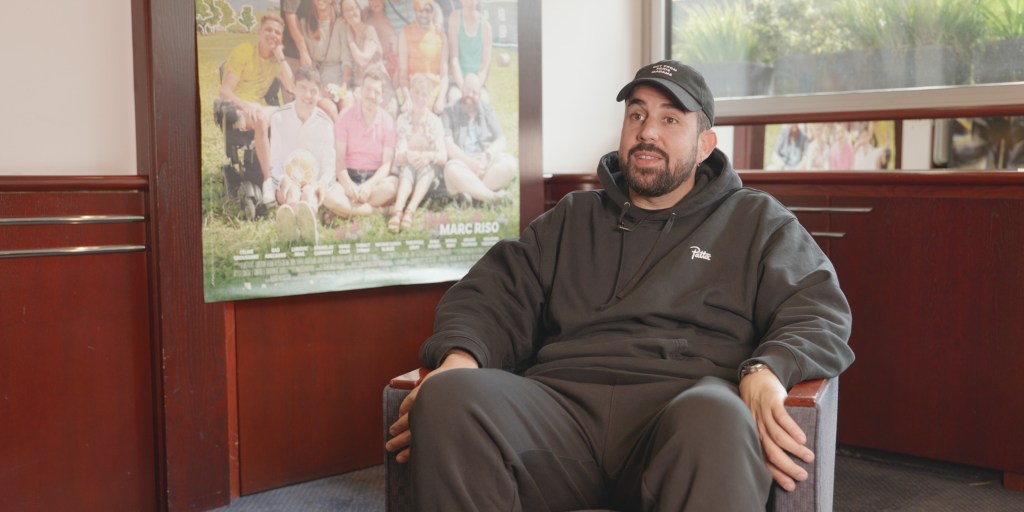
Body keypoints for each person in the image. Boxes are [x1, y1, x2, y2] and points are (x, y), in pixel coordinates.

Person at [385, 60, 855, 511]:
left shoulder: (756, 220)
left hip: (681, 410)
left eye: (670, 119)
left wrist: (767, 369)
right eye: (637, 115)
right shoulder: (572, 217)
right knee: (448, 398)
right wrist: (460, 359)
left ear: (705, 144)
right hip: (560, 411)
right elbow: (492, 294)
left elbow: (817, 308)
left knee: (720, 416)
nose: (648, 131)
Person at [219, 13, 296, 201]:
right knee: (261, 117)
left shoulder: (275, 62)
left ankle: (289, 174)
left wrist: (281, 57)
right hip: (237, 108)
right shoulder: (244, 51)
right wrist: (246, 106)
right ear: (259, 32)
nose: (273, 35)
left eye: (277, 32)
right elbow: (225, 91)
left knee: (289, 116)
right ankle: (269, 182)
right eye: (268, 30)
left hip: (260, 108)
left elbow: (292, 87)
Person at [265, 67, 336, 244]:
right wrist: (283, 179)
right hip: (287, 180)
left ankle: (309, 227)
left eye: (313, 91)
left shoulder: (325, 123)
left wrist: (321, 183)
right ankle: (289, 227)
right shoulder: (279, 118)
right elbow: (274, 162)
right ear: (294, 88)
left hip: (313, 181)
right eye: (303, 88)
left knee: (309, 193)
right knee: (293, 191)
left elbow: (329, 166)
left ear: (319, 94)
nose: (308, 95)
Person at [323, 68, 399, 218]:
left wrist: (369, 186)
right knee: (327, 195)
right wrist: (347, 184)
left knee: (393, 185)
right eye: (368, 89)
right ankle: (380, 211)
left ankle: (345, 210)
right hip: (349, 175)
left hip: (375, 180)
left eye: (376, 92)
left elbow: (386, 164)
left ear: (382, 97)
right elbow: (339, 159)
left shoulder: (388, 122)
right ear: (360, 90)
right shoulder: (345, 116)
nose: (371, 95)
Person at [440, 73, 516, 203]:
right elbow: (449, 145)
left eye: (474, 92)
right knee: (451, 169)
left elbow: (501, 140)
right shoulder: (449, 110)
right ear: (462, 89)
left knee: (510, 163)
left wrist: (487, 156)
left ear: (479, 94)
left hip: (484, 166)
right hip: (463, 164)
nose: (470, 95)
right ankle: (491, 197)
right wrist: (470, 163)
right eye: (467, 90)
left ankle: (474, 192)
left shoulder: (487, 110)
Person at [389, 73, 448, 232]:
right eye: (417, 93)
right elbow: (399, 154)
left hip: (428, 173)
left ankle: (410, 210)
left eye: (424, 94)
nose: (420, 98)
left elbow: (443, 156)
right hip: (407, 167)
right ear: (410, 93)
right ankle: (398, 210)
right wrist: (409, 155)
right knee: (407, 168)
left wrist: (427, 156)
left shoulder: (435, 121)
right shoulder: (402, 119)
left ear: (429, 97)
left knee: (425, 167)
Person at [397, 0, 449, 114]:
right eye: (420, 10)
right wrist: (407, 98)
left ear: (433, 12)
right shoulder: (405, 33)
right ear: (415, 11)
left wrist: (440, 100)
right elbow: (403, 73)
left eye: (428, 11)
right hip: (413, 96)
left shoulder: (441, 36)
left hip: (434, 98)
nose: (424, 14)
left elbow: (444, 76)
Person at [446, 0, 492, 104]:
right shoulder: (455, 18)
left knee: (483, 102)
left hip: (477, 83)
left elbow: (484, 67)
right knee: (455, 99)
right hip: (458, 82)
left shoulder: (486, 27)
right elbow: (454, 58)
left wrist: (475, 89)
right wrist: (463, 87)